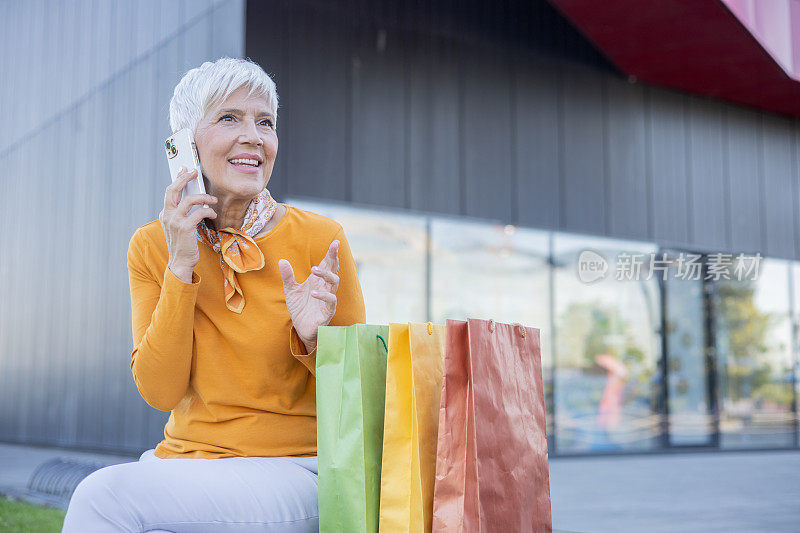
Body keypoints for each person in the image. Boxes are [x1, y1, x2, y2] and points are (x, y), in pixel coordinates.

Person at [62, 56, 366, 532]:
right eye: (229, 118)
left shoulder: (321, 239)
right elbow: (161, 391)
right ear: (183, 145)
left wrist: (315, 341)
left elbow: (359, 402)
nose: (254, 136)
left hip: (296, 465)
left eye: (265, 122)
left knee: (101, 500)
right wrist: (181, 266)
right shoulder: (151, 246)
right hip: (185, 460)